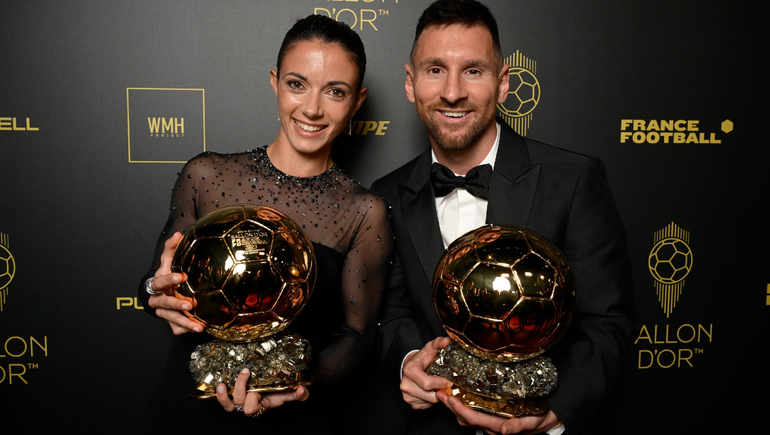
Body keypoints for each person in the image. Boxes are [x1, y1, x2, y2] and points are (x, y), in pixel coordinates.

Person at [370, 1, 637, 434]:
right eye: (435, 70)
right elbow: (393, 311)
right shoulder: (385, 195)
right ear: (410, 83)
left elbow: (609, 322)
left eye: (473, 71)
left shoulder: (572, 180)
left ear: (503, 83)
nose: (452, 91)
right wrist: (408, 361)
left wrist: (554, 412)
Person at [137, 14, 392, 434]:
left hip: (293, 418)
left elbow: (358, 337)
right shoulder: (206, 175)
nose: (312, 108)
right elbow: (154, 281)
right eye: (297, 84)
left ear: (357, 102)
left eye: (335, 92)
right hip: (191, 411)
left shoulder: (363, 211)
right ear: (275, 82)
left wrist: (297, 385)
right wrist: (155, 292)